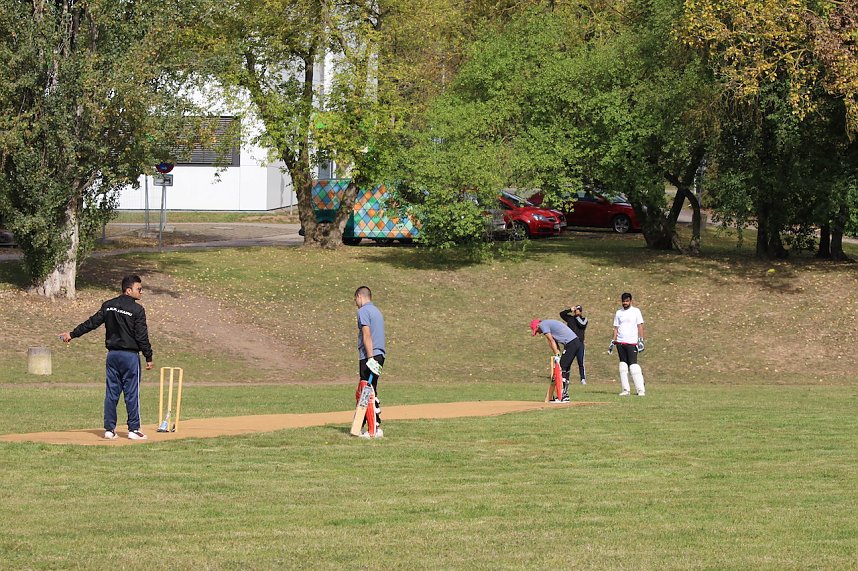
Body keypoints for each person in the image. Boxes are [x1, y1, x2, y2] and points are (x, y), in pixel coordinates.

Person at [60, 274, 154, 440]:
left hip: (112, 356)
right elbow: (141, 336)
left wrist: (72, 334)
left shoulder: (109, 305)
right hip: (130, 357)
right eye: (139, 289)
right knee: (131, 393)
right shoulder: (137, 310)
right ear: (128, 290)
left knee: (112, 393)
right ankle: (133, 429)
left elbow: (91, 323)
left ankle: (109, 430)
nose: (141, 292)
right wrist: (148, 356)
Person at [354, 286, 385, 438]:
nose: (356, 303)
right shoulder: (377, 311)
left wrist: (370, 358)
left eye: (355, 300)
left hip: (369, 356)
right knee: (368, 390)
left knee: (367, 391)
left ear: (360, 296)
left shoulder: (363, 311)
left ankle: (374, 429)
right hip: (380, 355)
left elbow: (367, 335)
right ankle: (366, 425)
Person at [530, 318, 582, 402]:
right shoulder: (547, 324)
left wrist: (557, 354)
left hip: (571, 343)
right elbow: (554, 341)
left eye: (537, 330)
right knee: (565, 369)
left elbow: (551, 340)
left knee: (561, 368)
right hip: (575, 342)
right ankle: (564, 395)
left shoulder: (543, 325)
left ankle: (562, 395)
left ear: (537, 326)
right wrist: (557, 352)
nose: (538, 333)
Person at [610, 292, 646, 396]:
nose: (625, 303)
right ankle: (626, 390)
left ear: (630, 301)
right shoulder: (618, 313)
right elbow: (616, 328)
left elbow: (640, 326)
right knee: (623, 366)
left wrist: (641, 340)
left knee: (633, 366)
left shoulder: (636, 311)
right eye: (623, 301)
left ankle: (640, 390)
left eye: (627, 301)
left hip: (632, 342)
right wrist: (613, 341)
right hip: (620, 342)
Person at [560, 304, 588, 385]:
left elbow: (582, 324)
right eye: (576, 310)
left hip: (580, 343)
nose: (577, 311)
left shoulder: (584, 319)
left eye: (578, 310)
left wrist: (577, 316)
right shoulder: (570, 319)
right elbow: (561, 314)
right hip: (570, 343)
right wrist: (569, 310)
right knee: (568, 361)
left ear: (581, 311)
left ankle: (582, 379)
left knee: (581, 362)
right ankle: (566, 378)